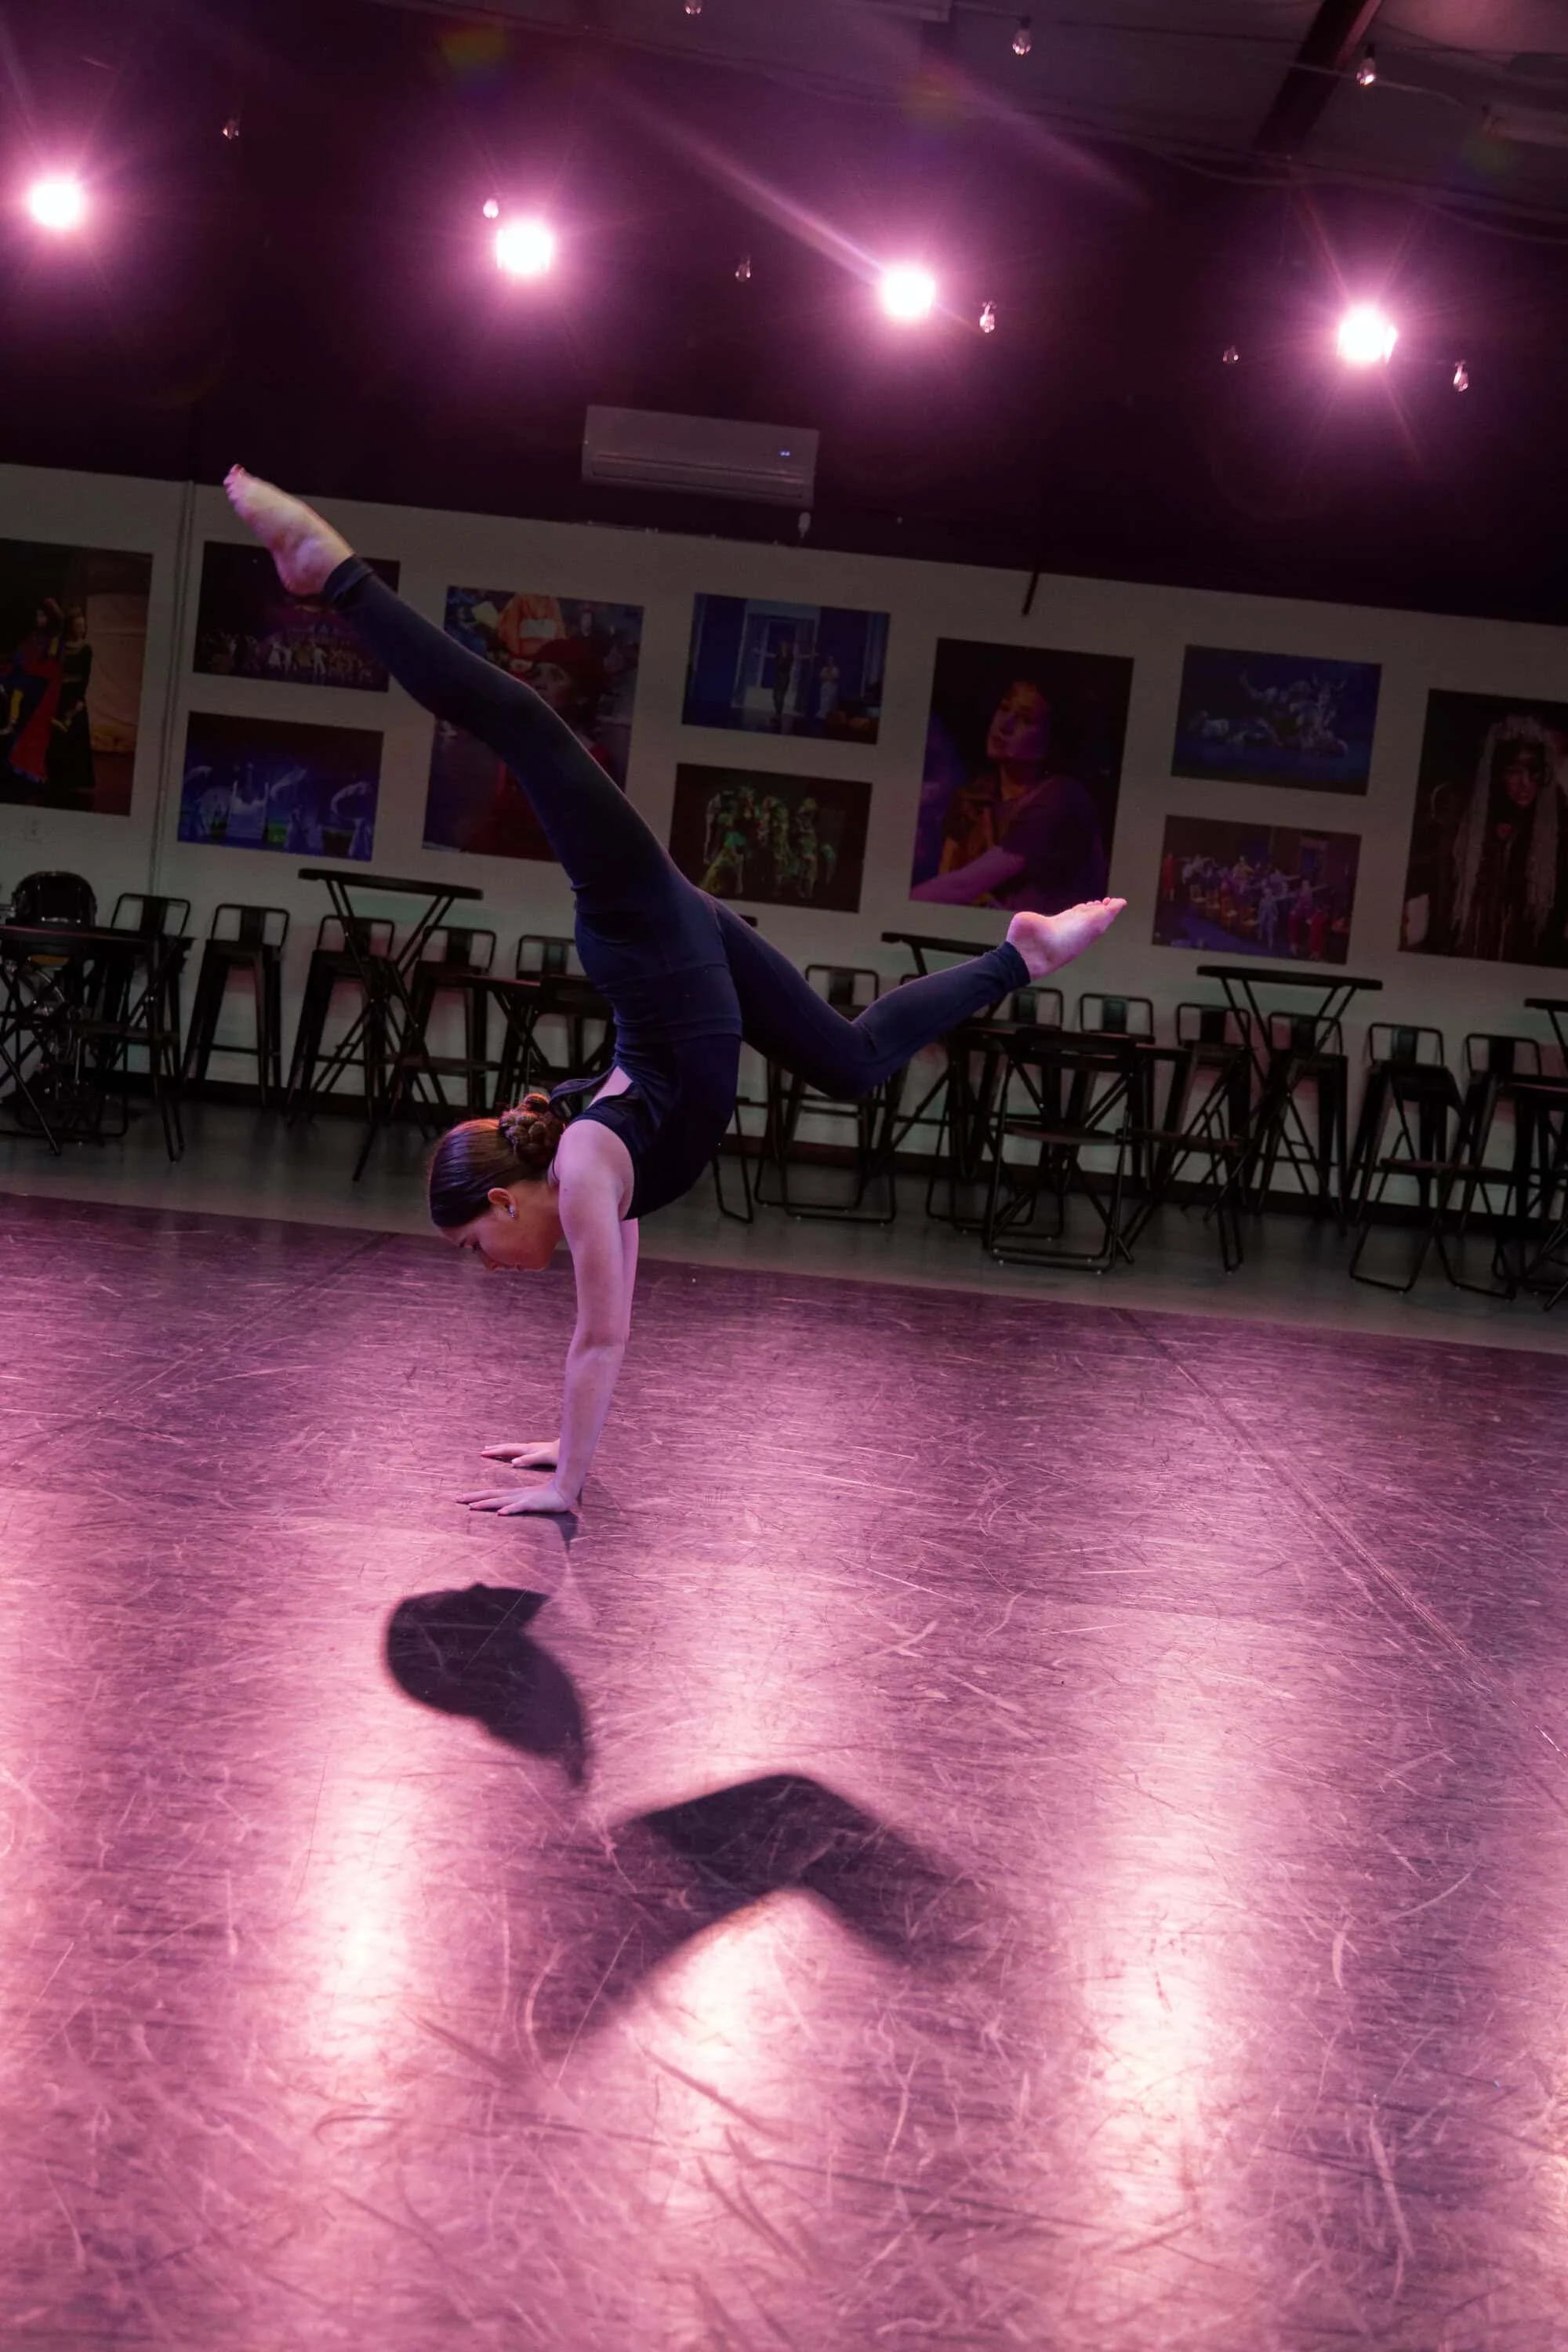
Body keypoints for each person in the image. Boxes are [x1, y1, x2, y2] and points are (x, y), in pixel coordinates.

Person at [224, 466, 1124, 1515]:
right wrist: (562, 1447)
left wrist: (567, 1485)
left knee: (524, 727)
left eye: (475, 1248)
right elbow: (606, 1331)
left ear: (504, 1201)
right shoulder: (596, 1173)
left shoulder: (586, 1166)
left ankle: (331, 574)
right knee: (850, 1063)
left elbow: (598, 1336)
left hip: (639, 920)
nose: (488, 1268)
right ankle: (1022, 955)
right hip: (684, 940)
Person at [911, 677, 1108, 913]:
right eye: (1004, 708)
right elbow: (947, 883)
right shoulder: (972, 798)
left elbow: (963, 885)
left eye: (1026, 719)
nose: (1004, 725)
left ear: (1051, 738)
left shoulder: (1062, 798)